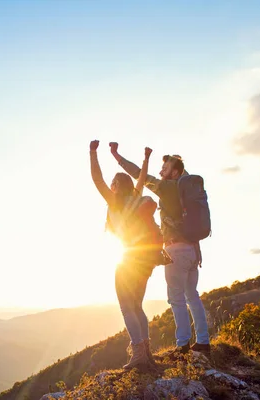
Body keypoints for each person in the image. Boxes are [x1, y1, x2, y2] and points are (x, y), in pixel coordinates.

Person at [110, 142, 210, 356]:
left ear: (174, 172)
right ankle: (203, 340)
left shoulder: (167, 188)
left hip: (176, 250)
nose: (160, 172)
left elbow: (139, 175)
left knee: (176, 298)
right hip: (194, 250)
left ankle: (182, 345)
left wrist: (117, 157)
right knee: (192, 295)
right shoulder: (187, 191)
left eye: (164, 169)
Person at [89, 140, 163, 370]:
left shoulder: (115, 201)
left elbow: (96, 179)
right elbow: (141, 179)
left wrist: (93, 153)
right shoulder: (137, 196)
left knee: (126, 306)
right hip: (147, 261)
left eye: (112, 184)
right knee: (137, 306)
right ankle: (147, 352)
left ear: (114, 187)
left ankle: (139, 352)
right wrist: (146, 159)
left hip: (128, 260)